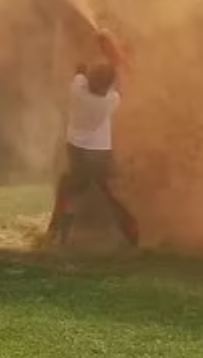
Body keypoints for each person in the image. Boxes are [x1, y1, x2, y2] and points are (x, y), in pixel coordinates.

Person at [44, 27, 140, 248]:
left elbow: (80, 67)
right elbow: (114, 81)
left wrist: (96, 40)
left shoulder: (78, 90)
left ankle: (56, 231)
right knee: (106, 191)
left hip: (79, 152)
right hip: (101, 154)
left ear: (91, 81)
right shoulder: (109, 100)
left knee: (68, 187)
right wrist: (113, 53)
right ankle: (130, 228)